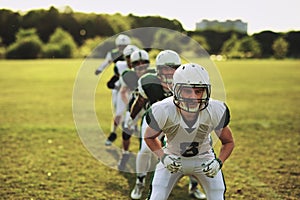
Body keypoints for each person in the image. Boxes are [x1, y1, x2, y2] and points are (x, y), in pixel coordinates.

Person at [144, 63, 235, 200]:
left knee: (218, 195)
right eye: (187, 91)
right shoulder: (163, 110)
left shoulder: (215, 110)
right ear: (175, 90)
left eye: (198, 91)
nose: (193, 97)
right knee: (156, 196)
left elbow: (228, 142)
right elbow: (149, 137)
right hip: (173, 158)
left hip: (204, 159)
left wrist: (219, 162)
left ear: (206, 91)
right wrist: (163, 157)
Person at [128, 50, 206, 199]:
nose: (170, 72)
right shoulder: (149, 83)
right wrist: (131, 118)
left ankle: (194, 186)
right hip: (154, 119)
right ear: (158, 69)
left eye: (173, 67)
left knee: (192, 150)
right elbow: (140, 102)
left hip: (178, 119)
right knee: (145, 149)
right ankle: (139, 182)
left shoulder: (187, 82)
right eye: (165, 68)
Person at [104, 44, 139, 146]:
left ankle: (134, 127)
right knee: (119, 114)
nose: (130, 60)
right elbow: (116, 79)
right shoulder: (120, 66)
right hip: (122, 92)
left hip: (135, 93)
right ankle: (113, 133)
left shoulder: (140, 67)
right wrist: (114, 84)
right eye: (128, 57)